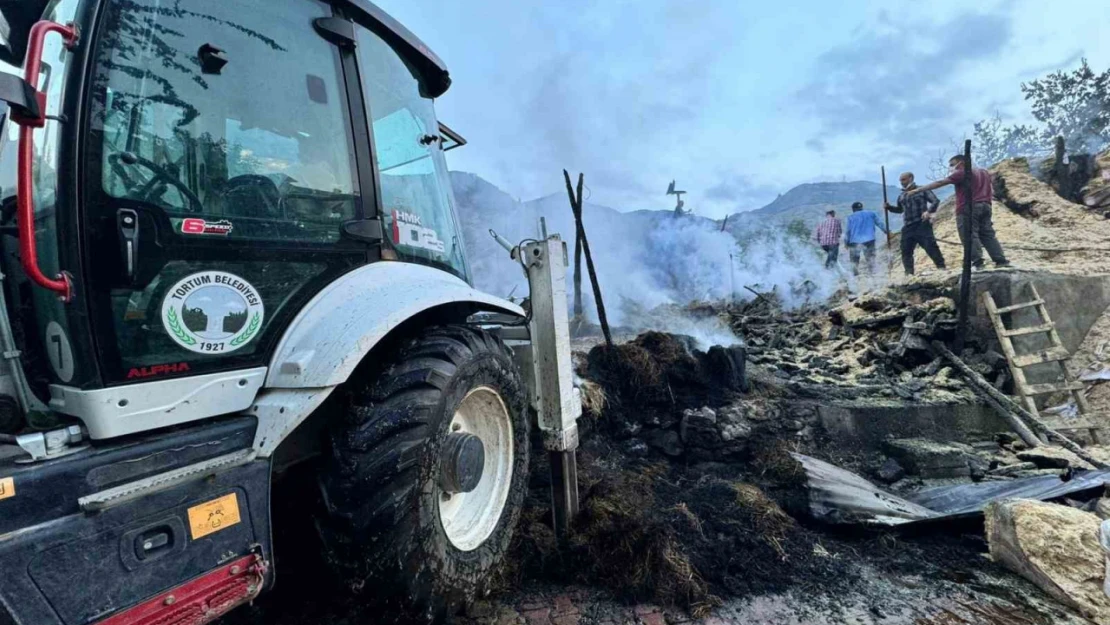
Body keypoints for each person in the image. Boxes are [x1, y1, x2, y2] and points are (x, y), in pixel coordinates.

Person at [908, 155, 1010, 269]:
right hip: (986, 206)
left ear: (961, 163)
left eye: (952, 164)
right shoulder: (983, 172)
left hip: (968, 208)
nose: (951, 168)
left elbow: (940, 182)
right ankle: (1001, 261)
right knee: (988, 235)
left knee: (969, 235)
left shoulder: (962, 173)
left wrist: (918, 190)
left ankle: (978, 263)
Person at [885, 172, 946, 275]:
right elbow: (900, 210)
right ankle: (909, 274)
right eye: (900, 180)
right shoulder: (902, 196)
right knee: (906, 251)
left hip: (922, 224)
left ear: (911, 178)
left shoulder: (922, 190)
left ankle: (941, 268)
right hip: (908, 226)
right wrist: (889, 207)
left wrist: (929, 211)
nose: (902, 182)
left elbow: (935, 201)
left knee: (930, 247)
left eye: (903, 180)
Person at [844, 201, 888, 275]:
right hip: (869, 239)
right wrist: (886, 231)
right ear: (861, 208)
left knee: (854, 260)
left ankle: (855, 274)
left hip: (855, 241)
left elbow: (848, 231)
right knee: (870, 257)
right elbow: (880, 223)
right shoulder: (871, 213)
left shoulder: (850, 217)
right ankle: (872, 273)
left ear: (853, 209)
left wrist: (846, 242)